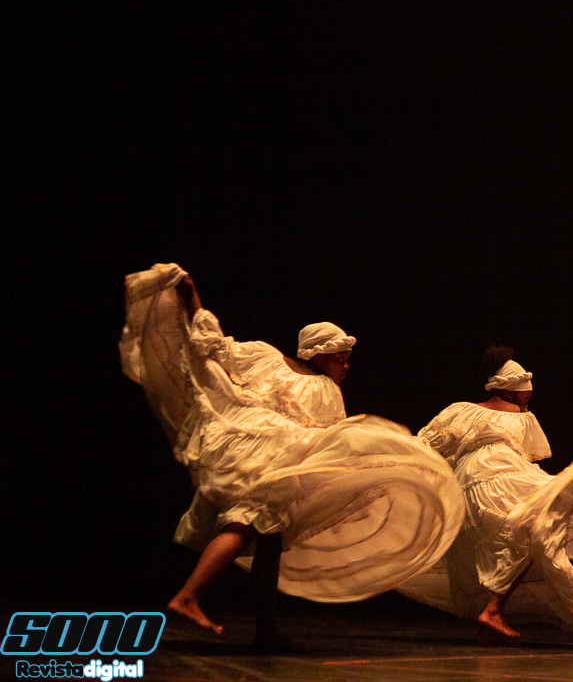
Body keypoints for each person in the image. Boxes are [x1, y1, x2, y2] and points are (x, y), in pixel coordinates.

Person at [120, 264, 464, 650]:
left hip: (248, 447)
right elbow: (329, 438)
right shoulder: (315, 384)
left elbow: (216, 345)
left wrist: (193, 298)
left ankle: (265, 630)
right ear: (319, 354)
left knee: (269, 542)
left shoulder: (268, 359)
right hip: (272, 455)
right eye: (340, 358)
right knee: (247, 522)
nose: (346, 366)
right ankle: (188, 595)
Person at [398, 346, 573, 640]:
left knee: (531, 533)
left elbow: (427, 444)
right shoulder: (516, 415)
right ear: (511, 392)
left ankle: (492, 610)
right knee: (538, 527)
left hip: (478, 483)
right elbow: (525, 456)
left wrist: (399, 442)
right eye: (525, 397)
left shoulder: (463, 409)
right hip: (496, 476)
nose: (527, 402)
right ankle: (493, 610)